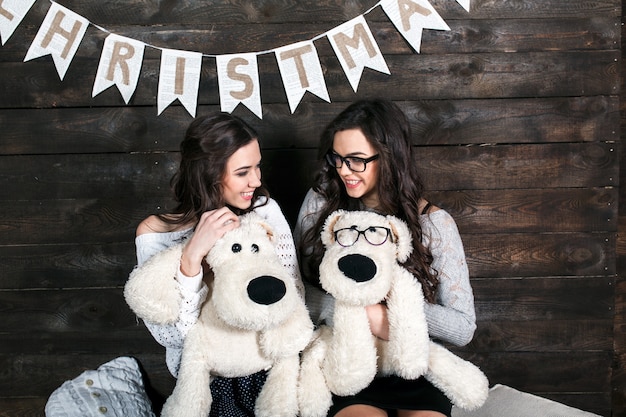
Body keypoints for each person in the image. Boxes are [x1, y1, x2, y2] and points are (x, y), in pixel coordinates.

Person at [294, 99, 476, 417]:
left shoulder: (435, 223)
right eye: (336, 157)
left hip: (413, 364)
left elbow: (462, 328)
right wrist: (357, 312)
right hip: (347, 362)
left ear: (391, 158)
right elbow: (296, 294)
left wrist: (394, 317)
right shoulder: (321, 203)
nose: (343, 170)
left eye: (357, 160)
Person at [133, 112, 302, 416]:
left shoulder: (264, 213)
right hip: (202, 381)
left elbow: (291, 299)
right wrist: (191, 259)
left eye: (257, 166)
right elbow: (171, 337)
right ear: (208, 174)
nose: (257, 180)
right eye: (243, 172)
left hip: (270, 368)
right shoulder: (155, 233)